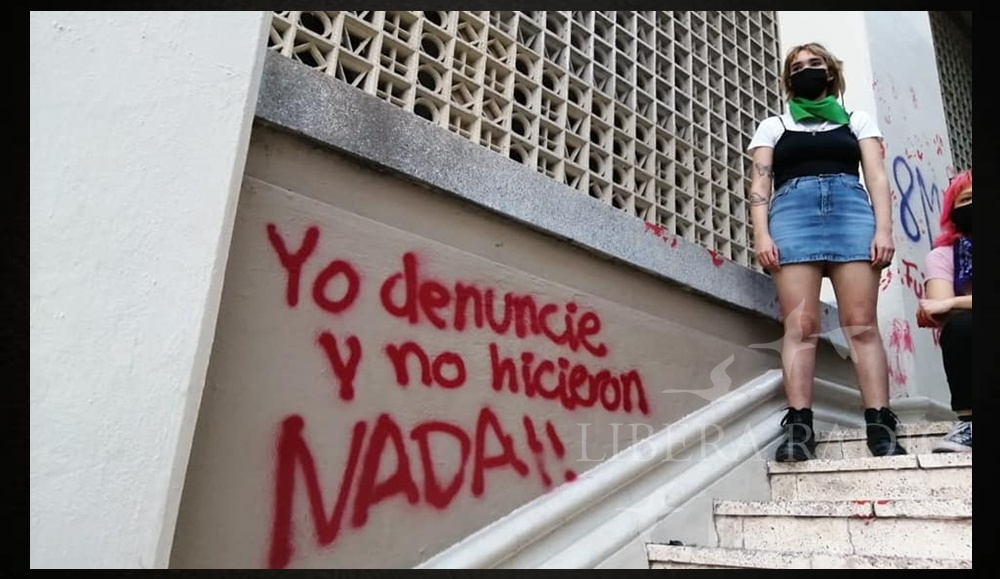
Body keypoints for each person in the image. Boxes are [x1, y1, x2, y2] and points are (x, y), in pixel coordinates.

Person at [746, 42, 906, 461]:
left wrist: (883, 229)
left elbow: (876, 176)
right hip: (792, 217)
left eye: (814, 64)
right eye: (797, 66)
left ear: (831, 72)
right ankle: (799, 428)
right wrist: (762, 236)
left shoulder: (857, 121)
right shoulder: (774, 126)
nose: (806, 70)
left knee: (861, 325)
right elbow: (760, 185)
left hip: (852, 215)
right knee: (801, 327)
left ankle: (880, 424)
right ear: (788, 78)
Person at [916, 170, 972, 452]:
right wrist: (949, 305)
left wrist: (953, 302)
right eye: (968, 199)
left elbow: (945, 303)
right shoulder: (942, 256)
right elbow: (939, 306)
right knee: (961, 326)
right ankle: (971, 423)